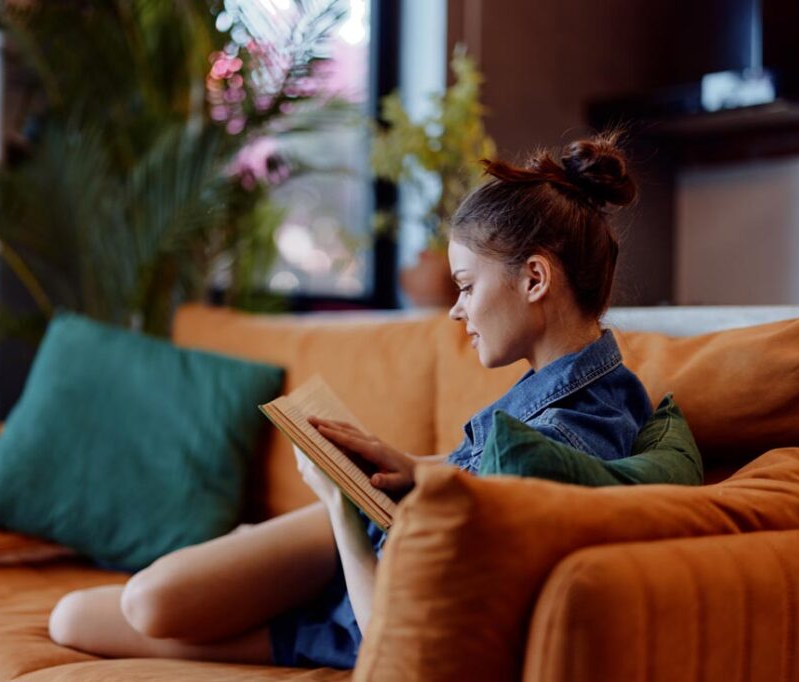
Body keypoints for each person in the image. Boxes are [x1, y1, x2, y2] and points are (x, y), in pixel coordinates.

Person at [46, 132, 654, 669]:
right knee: (80, 615)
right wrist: (409, 465)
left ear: (535, 279)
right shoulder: (588, 391)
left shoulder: (570, 435)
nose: (455, 308)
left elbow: (396, 635)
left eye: (467, 286)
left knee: (113, 609)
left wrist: (340, 503)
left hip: (362, 589)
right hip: (372, 542)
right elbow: (482, 475)